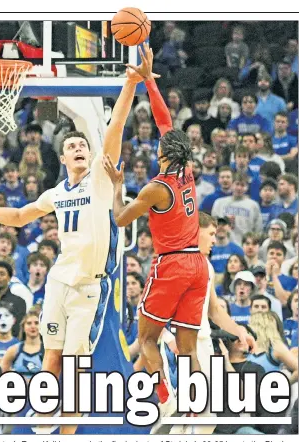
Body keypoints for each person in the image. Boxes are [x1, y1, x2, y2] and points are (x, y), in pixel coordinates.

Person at [0, 43, 154, 434]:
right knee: (51, 360)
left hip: (89, 288)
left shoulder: (97, 175)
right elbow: (20, 215)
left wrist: (129, 84)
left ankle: (66, 433)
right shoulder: (57, 192)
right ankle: (44, 430)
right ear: (62, 159)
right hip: (60, 280)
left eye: (82, 146)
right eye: (71, 147)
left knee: (77, 371)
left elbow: (115, 129)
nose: (78, 148)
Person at [103, 45, 209, 420]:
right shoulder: (187, 173)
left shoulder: (155, 186)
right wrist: (149, 81)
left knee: (147, 338)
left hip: (172, 265)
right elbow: (166, 123)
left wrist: (117, 186)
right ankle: (197, 409)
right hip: (198, 266)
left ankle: (166, 399)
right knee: (188, 348)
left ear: (164, 153)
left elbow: (119, 219)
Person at [164, 212, 256, 435]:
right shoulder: (175, 261)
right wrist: (168, 338)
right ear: (196, 231)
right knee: (178, 413)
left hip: (203, 343)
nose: (215, 239)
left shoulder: (207, 265)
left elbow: (214, 309)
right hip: (180, 344)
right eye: (211, 233)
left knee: (203, 415)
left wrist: (238, 331)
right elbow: (157, 309)